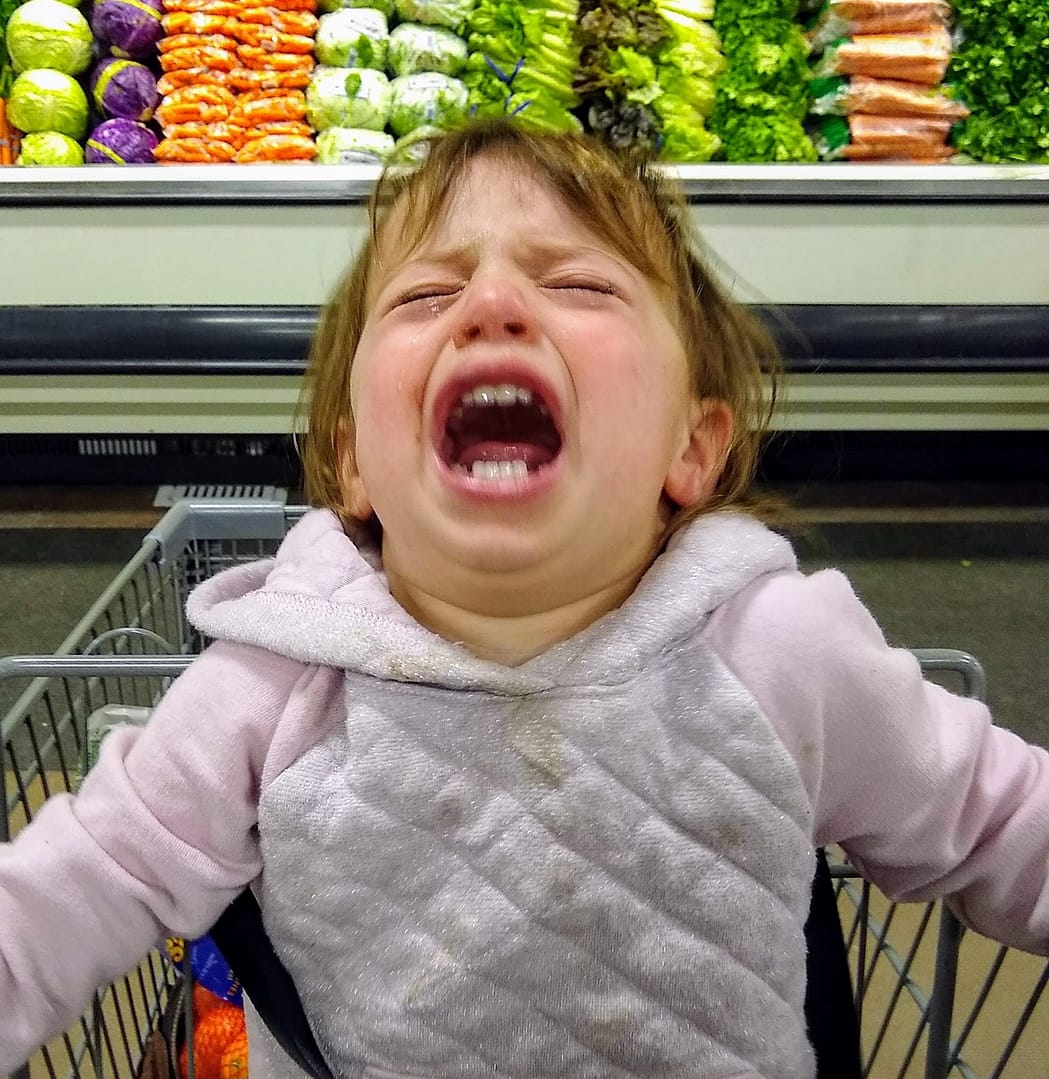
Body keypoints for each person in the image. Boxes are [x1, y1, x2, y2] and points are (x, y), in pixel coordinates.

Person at [1, 119, 1047, 1079]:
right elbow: (78, 880)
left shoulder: (776, 648)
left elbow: (1001, 822)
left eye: (580, 288)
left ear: (691, 445)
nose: (492, 305)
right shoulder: (273, 682)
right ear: (353, 462)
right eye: (422, 296)